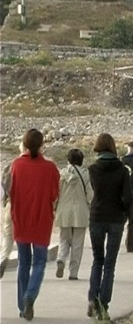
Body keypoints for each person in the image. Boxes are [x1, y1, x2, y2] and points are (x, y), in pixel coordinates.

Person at [10, 129, 60, 320]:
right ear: (42, 145)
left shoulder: (16, 165)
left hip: (21, 220)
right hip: (42, 221)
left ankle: (22, 306)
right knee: (39, 262)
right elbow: (55, 195)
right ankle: (30, 295)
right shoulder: (50, 168)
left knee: (24, 262)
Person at [87, 133, 131, 320]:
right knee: (110, 265)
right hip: (115, 218)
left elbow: (94, 192)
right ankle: (103, 305)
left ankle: (92, 297)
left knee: (98, 260)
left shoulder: (92, 169)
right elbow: (128, 197)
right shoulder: (122, 170)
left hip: (96, 216)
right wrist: (125, 213)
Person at [55, 148, 93, 280]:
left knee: (64, 239)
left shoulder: (61, 174)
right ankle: (73, 272)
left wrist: (55, 208)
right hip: (80, 212)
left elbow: (56, 194)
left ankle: (61, 258)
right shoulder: (86, 175)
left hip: (64, 211)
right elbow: (90, 195)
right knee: (78, 243)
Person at [0, 142, 25, 280]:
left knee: (7, 236)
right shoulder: (29, 166)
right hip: (25, 206)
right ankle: (23, 265)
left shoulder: (10, 166)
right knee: (23, 237)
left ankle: (3, 258)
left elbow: (4, 186)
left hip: (10, 204)